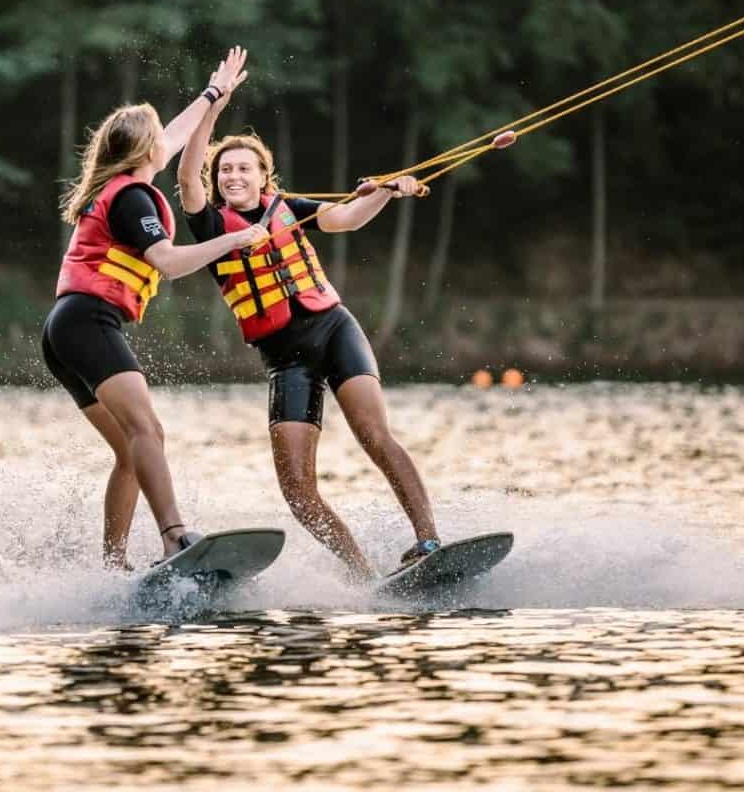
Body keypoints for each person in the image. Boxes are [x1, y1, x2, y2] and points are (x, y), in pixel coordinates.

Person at [176, 100, 446, 581]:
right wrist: (212, 108)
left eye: (243, 168)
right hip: (285, 359)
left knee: (374, 435)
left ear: (264, 176)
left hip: (334, 331)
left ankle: (427, 541)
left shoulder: (291, 208)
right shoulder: (211, 224)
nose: (232, 176)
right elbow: (186, 181)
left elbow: (348, 218)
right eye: (224, 170)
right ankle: (363, 575)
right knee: (298, 489)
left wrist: (387, 190)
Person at [43, 47, 269, 570]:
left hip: (65, 329)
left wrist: (215, 95)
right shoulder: (132, 199)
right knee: (149, 432)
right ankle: (173, 537)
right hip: (89, 322)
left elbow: (178, 133)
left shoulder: (121, 182)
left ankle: (113, 565)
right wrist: (233, 242)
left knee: (129, 450)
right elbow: (167, 261)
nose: (165, 141)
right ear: (145, 152)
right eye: (157, 138)